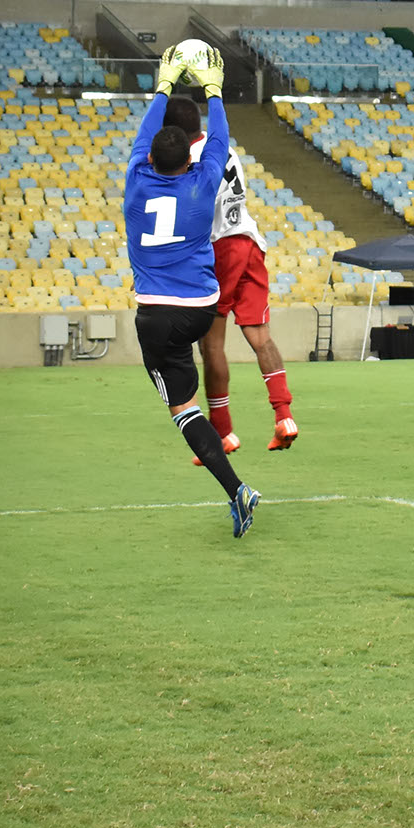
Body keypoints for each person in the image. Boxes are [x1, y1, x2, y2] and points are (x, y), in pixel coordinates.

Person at [124, 53, 261, 536]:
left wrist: (161, 86)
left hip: (158, 315)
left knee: (182, 410)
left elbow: (142, 139)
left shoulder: (136, 183)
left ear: (149, 159)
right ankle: (230, 457)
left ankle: (237, 488)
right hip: (203, 307)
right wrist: (215, 90)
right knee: (192, 379)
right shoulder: (203, 185)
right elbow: (220, 141)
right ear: (190, 159)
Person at [171, 95, 299, 455]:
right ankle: (284, 415)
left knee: (211, 344)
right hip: (249, 240)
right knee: (260, 336)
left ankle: (223, 431)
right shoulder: (223, 147)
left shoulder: (191, 161)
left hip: (220, 250)